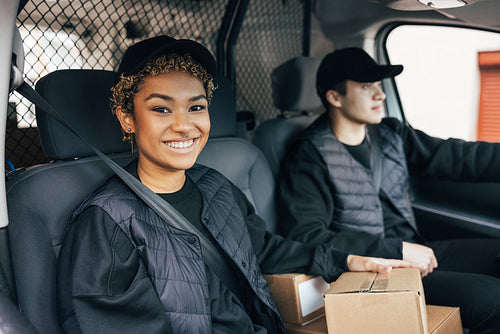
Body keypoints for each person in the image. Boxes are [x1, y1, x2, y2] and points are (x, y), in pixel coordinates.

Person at [56, 37, 415, 334]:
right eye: (162, 110)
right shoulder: (105, 223)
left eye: (195, 107)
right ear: (127, 118)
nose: (184, 125)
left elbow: (264, 249)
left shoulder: (215, 186)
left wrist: (348, 260)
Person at [277, 47, 500, 333]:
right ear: (335, 97)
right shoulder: (309, 156)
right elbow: (306, 235)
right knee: (493, 299)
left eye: (380, 86)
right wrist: (396, 249)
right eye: (367, 87)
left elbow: (458, 157)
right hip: (374, 270)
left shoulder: (391, 134)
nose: (380, 95)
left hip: (417, 251)